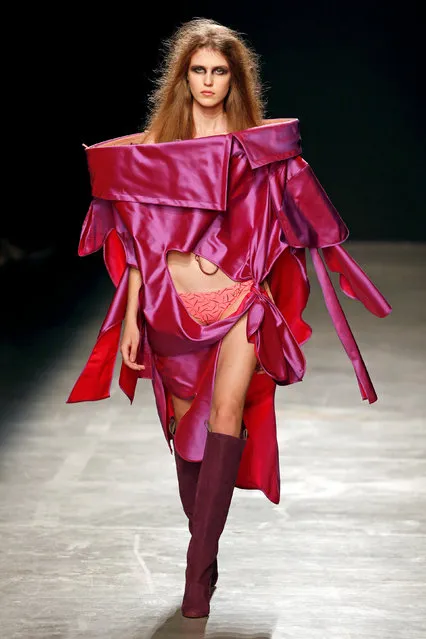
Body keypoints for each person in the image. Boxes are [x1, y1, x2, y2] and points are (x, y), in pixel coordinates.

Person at [67, 18, 392, 618]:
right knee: (188, 441)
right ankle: (206, 552)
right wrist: (132, 315)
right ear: (182, 77)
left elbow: (285, 221)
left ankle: (195, 576)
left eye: (219, 71)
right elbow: (140, 239)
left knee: (227, 415)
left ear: (235, 78)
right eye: (198, 71)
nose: (209, 81)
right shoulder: (155, 149)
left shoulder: (256, 147)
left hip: (239, 297)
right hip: (169, 300)